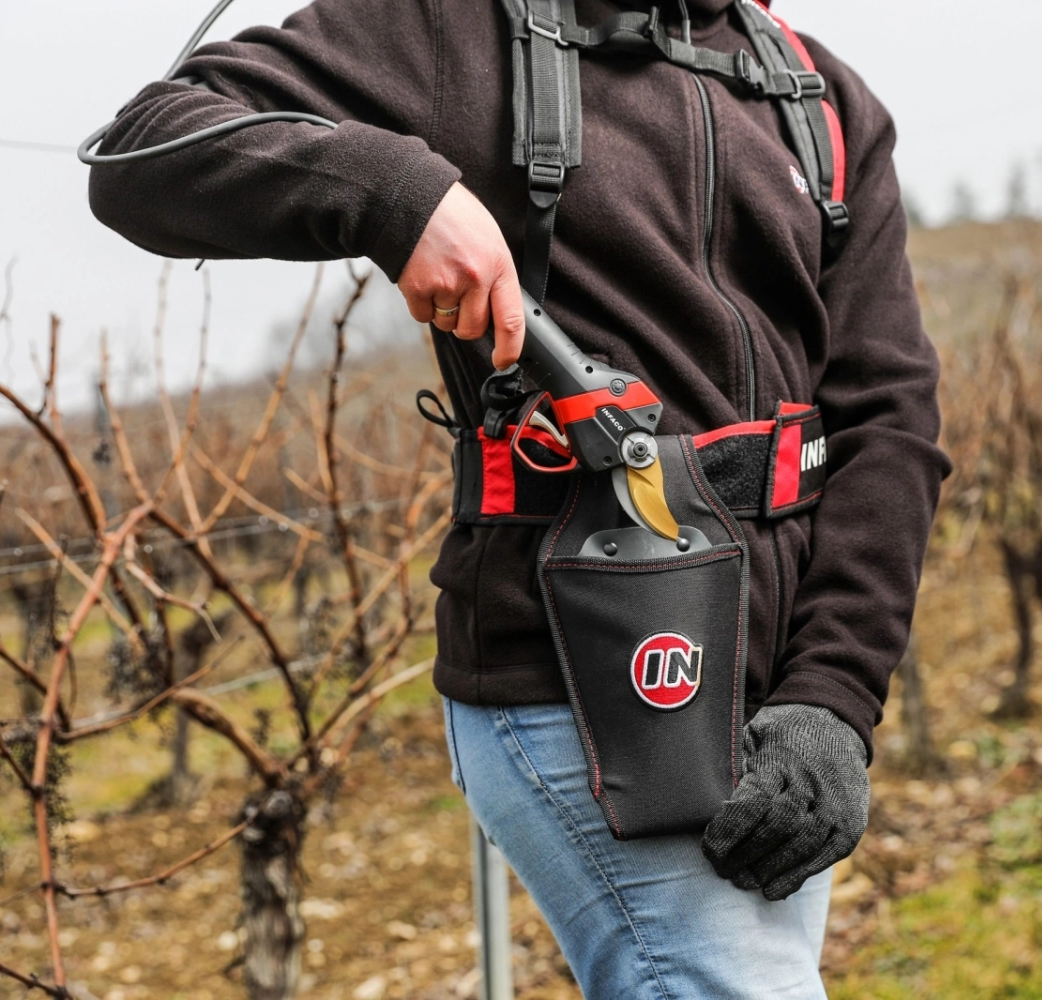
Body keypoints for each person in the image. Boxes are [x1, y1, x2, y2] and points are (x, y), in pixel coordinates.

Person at [88, 1, 950, 996]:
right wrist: (393, 192)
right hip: (587, 670)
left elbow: (889, 419)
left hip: (779, 684)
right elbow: (147, 147)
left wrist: (831, 698)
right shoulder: (447, 29)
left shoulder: (819, 97)